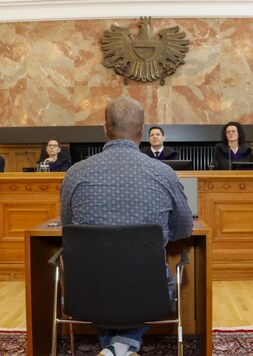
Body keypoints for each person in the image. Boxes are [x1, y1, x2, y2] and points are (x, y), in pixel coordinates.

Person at [60, 96, 193, 356]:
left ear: (105, 128)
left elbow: (68, 227)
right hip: (148, 290)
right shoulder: (164, 173)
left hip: (88, 288)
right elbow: (184, 229)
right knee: (133, 279)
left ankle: (114, 347)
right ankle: (123, 346)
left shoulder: (75, 173)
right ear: (142, 130)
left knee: (105, 278)